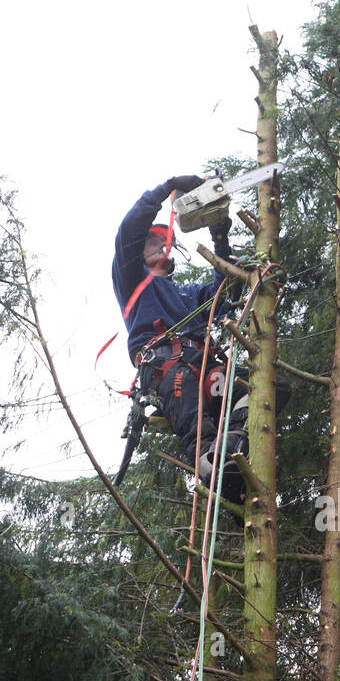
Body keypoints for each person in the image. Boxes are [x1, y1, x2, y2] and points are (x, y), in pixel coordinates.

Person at [112, 174, 251, 498]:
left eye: (161, 242)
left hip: (204, 365)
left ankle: (233, 450)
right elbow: (128, 231)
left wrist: (220, 238)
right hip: (167, 366)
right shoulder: (131, 280)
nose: (158, 245)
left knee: (253, 387)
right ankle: (212, 465)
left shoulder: (188, 296)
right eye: (150, 242)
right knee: (197, 426)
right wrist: (166, 187)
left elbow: (225, 292)